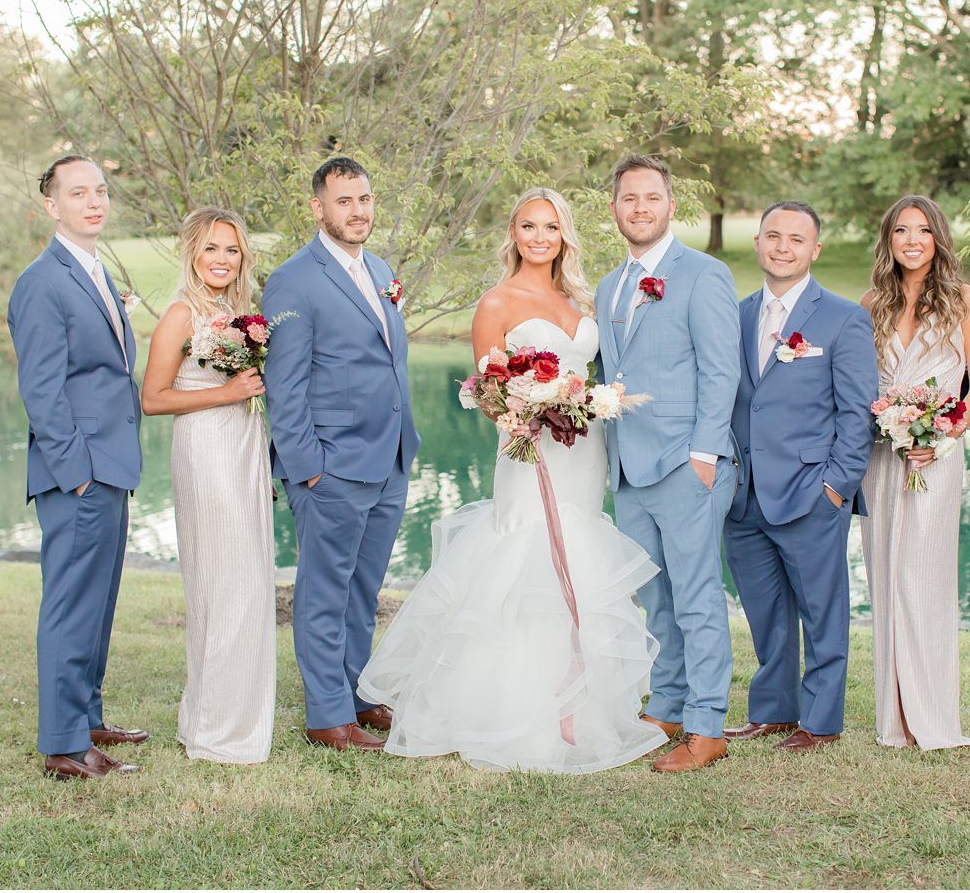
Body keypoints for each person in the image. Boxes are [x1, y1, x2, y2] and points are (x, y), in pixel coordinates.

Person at [357, 188, 669, 773]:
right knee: (526, 559)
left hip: (583, 448)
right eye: (528, 226)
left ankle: (582, 708)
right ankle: (512, 712)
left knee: (579, 556)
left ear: (563, 236)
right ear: (514, 234)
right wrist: (525, 410)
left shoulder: (580, 298)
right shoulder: (496, 301)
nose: (539, 237)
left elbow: (592, 370)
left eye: (550, 227)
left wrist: (585, 402)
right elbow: (484, 392)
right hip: (530, 453)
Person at [263, 156, 420, 752]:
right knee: (324, 591)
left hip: (389, 458)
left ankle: (355, 692)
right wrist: (306, 470)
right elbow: (287, 385)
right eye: (345, 201)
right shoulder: (294, 279)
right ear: (318, 208)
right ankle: (327, 716)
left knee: (363, 589)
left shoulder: (379, 269)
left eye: (365, 199)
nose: (358, 211)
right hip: (330, 467)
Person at [594, 154, 741, 773]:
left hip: (688, 463)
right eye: (629, 199)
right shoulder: (610, 286)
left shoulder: (703, 274)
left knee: (698, 596)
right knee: (656, 600)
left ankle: (708, 727)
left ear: (670, 205)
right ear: (615, 209)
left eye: (651, 198)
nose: (640, 209)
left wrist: (705, 455)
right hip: (629, 466)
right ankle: (671, 705)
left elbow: (721, 368)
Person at [7, 154, 145, 780]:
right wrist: (77, 472)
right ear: (51, 205)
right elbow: (42, 391)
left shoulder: (92, 269)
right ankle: (64, 746)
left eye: (100, 191)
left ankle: (87, 714)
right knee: (70, 604)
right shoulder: (43, 280)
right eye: (78, 192)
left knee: (99, 599)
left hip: (109, 465)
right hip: (78, 472)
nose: (94, 201)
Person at [723, 201, 877, 751]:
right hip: (742, 497)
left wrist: (836, 486)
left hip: (811, 493)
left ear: (815, 249)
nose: (782, 247)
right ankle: (773, 710)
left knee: (822, 613)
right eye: (773, 236)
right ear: (758, 243)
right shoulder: (735, 315)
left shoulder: (843, 317)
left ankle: (820, 721)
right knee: (765, 614)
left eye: (795, 239)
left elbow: (858, 413)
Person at [140, 208, 275, 764]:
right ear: (191, 253)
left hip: (244, 450)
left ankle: (220, 718)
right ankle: (218, 732)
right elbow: (152, 399)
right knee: (221, 583)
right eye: (211, 248)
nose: (222, 260)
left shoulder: (240, 314)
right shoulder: (180, 315)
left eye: (232, 250)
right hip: (206, 450)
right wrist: (227, 394)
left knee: (247, 581)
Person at [857, 195, 970, 750]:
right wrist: (886, 424)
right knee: (886, 575)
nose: (912, 241)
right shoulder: (870, 304)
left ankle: (930, 715)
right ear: (889, 240)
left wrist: (943, 434)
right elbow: (861, 386)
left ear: (939, 238)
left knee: (924, 579)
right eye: (901, 232)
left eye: (923, 231)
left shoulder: (966, 300)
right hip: (882, 459)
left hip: (936, 455)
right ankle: (895, 718)